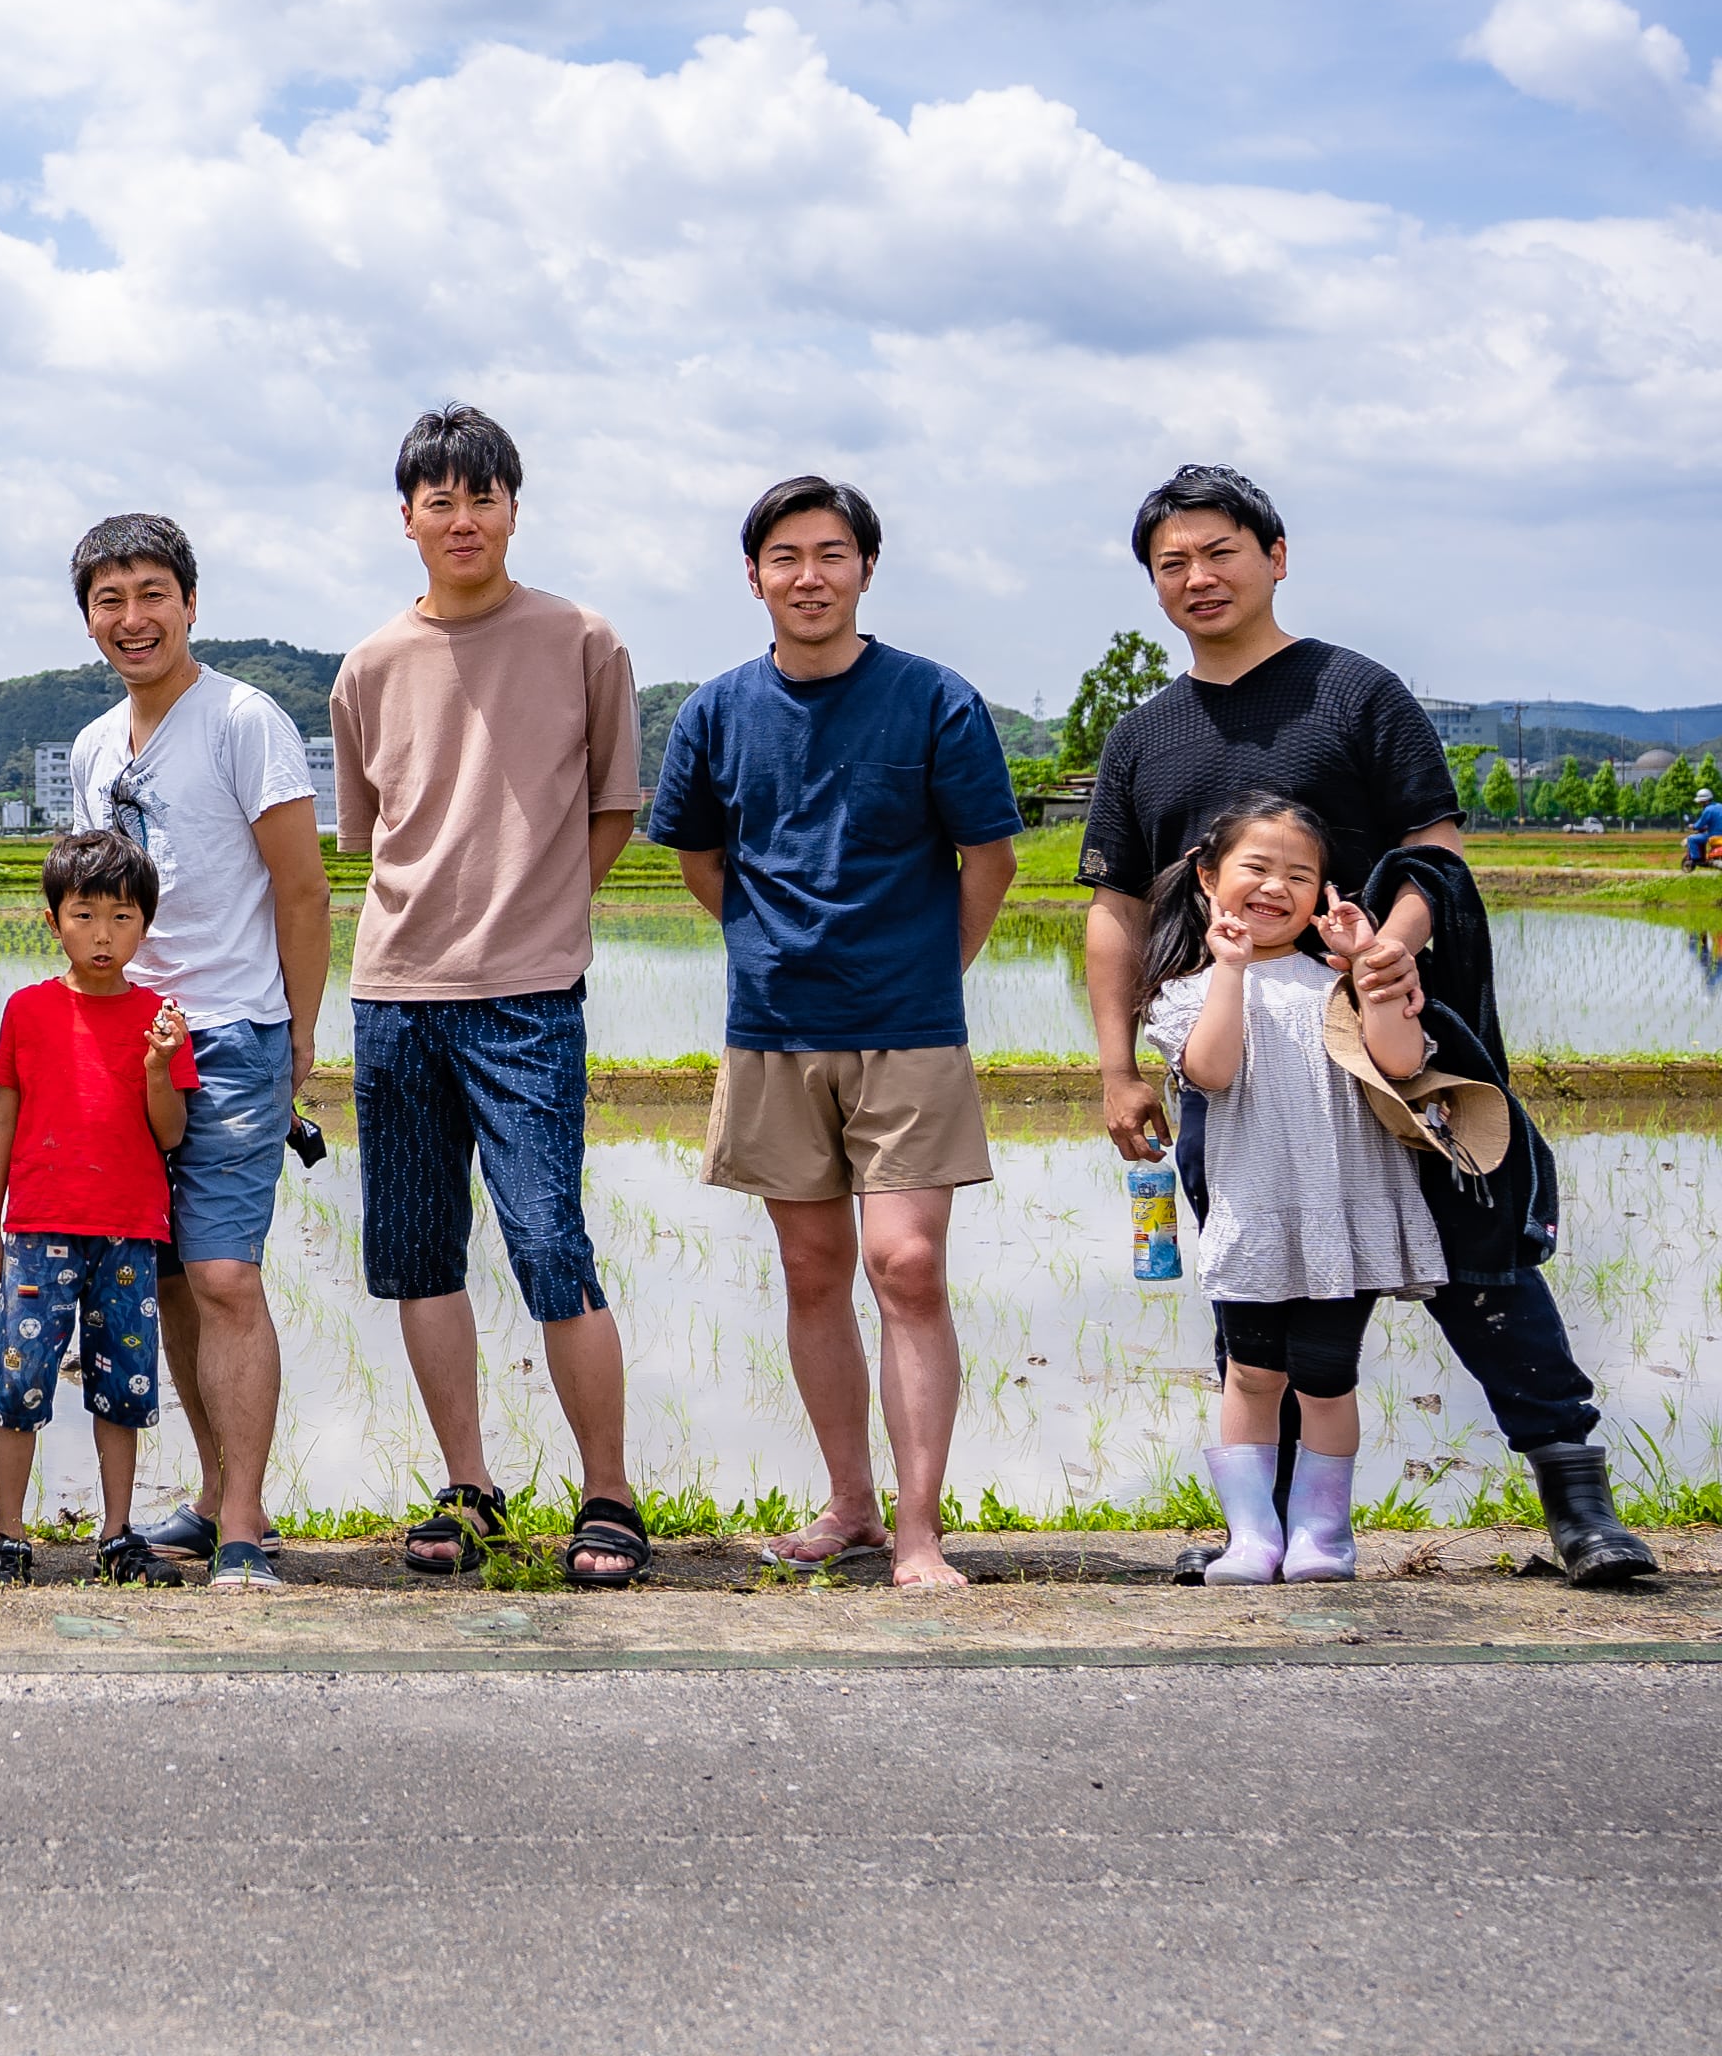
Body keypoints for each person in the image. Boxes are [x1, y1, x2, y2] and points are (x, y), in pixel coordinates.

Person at [1077, 465, 1654, 1586]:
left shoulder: (1353, 692)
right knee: (1261, 1278)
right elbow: (1115, 909)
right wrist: (1115, 1066)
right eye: (1171, 563)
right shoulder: (1146, 734)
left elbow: (1435, 844)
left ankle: (1580, 1505)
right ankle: (1279, 1527)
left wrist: (1395, 934)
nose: (1198, 576)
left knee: (1479, 1261)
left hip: (1381, 1036)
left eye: (1220, 551)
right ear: (1152, 583)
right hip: (1225, 1047)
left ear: (1276, 554)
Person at [647, 477, 1020, 1591]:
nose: (809, 575)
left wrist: (927, 966)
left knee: (906, 1265)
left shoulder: (933, 699)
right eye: (786, 557)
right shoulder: (715, 711)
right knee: (812, 1269)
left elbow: (989, 858)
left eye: (832, 553)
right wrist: (772, 947)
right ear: (754, 574)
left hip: (907, 1023)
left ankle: (919, 1532)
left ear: (865, 567)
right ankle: (850, 1504)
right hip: (773, 1025)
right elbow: (703, 862)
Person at [330, 404, 654, 1587]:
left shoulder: (582, 637)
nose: (462, 518)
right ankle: (469, 1483)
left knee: (547, 1237)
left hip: (528, 992)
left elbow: (615, 803)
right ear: (406, 515)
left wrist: (542, 907)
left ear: (516, 505)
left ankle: (609, 1492)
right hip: (396, 991)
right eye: (440, 499)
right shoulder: (368, 664)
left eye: (485, 496)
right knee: (420, 1252)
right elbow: (375, 838)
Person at [58, 513, 327, 1591]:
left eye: (151, 593)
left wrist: (297, 1031)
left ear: (191, 602)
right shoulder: (90, 745)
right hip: (132, 1038)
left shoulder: (243, 719)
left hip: (231, 1031)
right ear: (89, 618)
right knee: (166, 1276)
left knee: (223, 1272)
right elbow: (94, 911)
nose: (133, 617)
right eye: (110, 599)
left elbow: (303, 888)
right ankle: (213, 1496)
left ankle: (249, 1521)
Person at [1133, 795, 1444, 1582]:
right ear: (1208, 878)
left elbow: (1402, 1062)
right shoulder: (1187, 990)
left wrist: (1369, 967)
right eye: (1256, 868)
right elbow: (1212, 1070)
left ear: (1322, 896)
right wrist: (1231, 967)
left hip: (1343, 1213)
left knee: (1326, 1375)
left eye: (1299, 876)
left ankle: (1323, 1537)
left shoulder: (1341, 982)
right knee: (1253, 1372)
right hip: (1255, 1209)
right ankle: (1252, 1538)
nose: (1276, 887)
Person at [0, 829, 196, 1588]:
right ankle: (7, 1536)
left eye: (123, 918)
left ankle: (118, 1534)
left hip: (128, 1231)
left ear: (146, 924)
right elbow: (1, 1117)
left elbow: (170, 1133)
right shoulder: (28, 1011)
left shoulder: (159, 1021)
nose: (104, 935)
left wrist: (160, 1065)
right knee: (20, 1381)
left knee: (124, 1385)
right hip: (37, 1230)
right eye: (85, 915)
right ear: (53, 921)